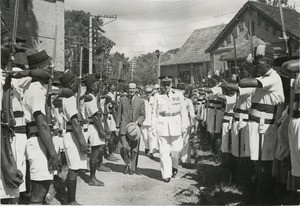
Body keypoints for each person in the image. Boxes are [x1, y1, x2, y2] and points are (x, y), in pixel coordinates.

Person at [238, 43, 284, 204]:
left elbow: (243, 83)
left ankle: (267, 201)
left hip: (266, 128)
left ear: (269, 63)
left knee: (265, 168)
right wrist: (254, 71)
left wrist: (250, 72)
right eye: (254, 63)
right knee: (253, 165)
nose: (255, 66)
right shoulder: (262, 77)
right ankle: (253, 199)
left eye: (258, 63)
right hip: (255, 126)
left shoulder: (273, 77)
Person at [15, 50, 61, 204]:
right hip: (38, 142)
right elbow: (41, 123)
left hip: (41, 140)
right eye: (48, 66)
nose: (51, 69)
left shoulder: (39, 87)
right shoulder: (35, 88)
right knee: (39, 191)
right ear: (40, 69)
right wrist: (52, 153)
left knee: (44, 187)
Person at [152, 76, 188, 182]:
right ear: (161, 85)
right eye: (164, 84)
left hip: (176, 124)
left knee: (175, 151)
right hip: (162, 125)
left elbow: (184, 111)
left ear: (171, 84)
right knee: (163, 152)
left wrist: (184, 126)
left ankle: (174, 166)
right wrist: (154, 127)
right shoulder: (157, 96)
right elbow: (154, 113)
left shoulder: (178, 95)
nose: (166, 86)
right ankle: (166, 174)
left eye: (168, 84)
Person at [116, 82, 145, 175]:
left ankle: (132, 168)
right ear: (127, 90)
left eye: (133, 89)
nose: (131, 90)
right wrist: (117, 127)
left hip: (135, 129)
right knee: (124, 147)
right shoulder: (122, 99)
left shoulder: (140, 101)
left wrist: (137, 122)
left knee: (134, 149)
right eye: (130, 89)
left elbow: (143, 115)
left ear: (136, 89)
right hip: (124, 127)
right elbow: (118, 114)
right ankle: (127, 163)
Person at [141, 86, 157, 159]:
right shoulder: (142, 100)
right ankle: (146, 147)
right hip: (144, 122)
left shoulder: (154, 100)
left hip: (151, 121)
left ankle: (151, 152)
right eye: (147, 92)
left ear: (152, 93)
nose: (148, 94)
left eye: (149, 92)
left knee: (151, 137)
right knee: (145, 137)